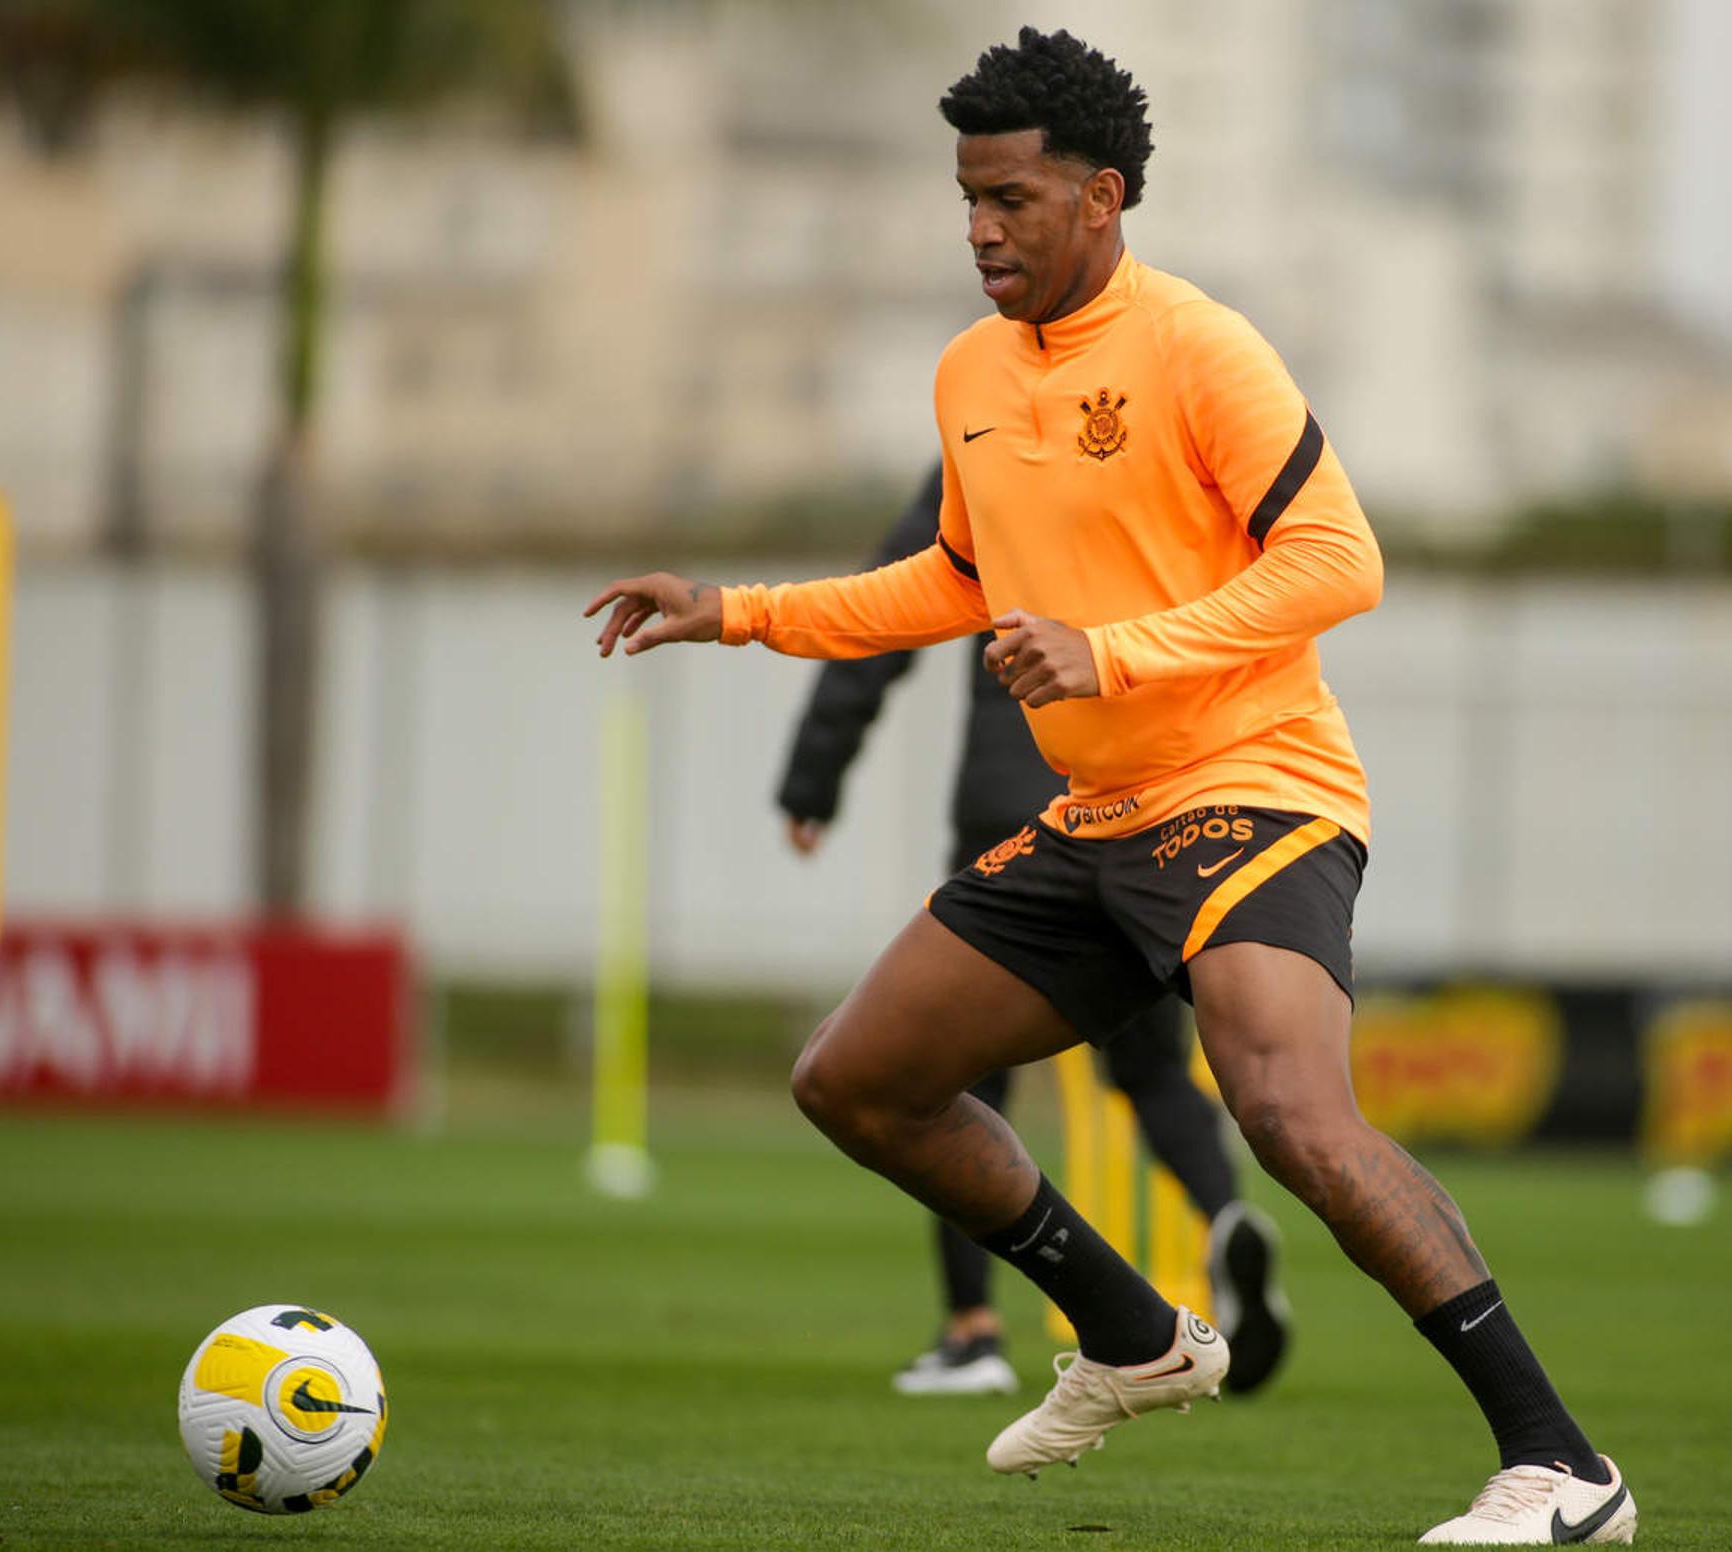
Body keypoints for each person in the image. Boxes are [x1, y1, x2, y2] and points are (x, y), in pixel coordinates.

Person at [586, 28, 1635, 1546]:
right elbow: (947, 580)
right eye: (966, 199)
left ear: (1103, 194)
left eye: (1011, 198)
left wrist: (1115, 654)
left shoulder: (1200, 346)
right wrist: (735, 609)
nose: (981, 230)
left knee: (1291, 1114)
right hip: (1097, 821)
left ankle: (1562, 1465)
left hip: (1257, 788)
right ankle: (1137, 1334)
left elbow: (1344, 561)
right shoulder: (968, 373)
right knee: (855, 1081)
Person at [775, 461, 1289, 1399]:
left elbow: (877, 621)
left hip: (1013, 804)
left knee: (949, 1078)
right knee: (1150, 1069)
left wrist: (814, 781)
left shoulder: (986, 451)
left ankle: (973, 1329)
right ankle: (1223, 1221)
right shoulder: (1168, 456)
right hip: (1148, 810)